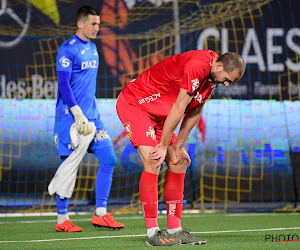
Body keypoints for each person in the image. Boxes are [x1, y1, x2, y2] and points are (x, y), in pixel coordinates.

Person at [116, 50, 245, 246]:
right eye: (227, 79)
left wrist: (178, 146)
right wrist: (162, 146)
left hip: (160, 116)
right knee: (153, 159)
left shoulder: (211, 77)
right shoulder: (198, 65)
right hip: (136, 104)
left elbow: (195, 110)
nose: (226, 84)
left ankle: (175, 230)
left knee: (179, 162)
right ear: (219, 66)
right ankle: (152, 233)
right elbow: (179, 107)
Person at [53, 5, 124, 232]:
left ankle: (100, 213)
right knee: (68, 167)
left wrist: (89, 114)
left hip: (93, 119)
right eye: (93, 24)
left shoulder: (93, 48)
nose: (97, 28)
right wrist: (76, 112)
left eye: (98, 24)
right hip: (70, 119)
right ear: (80, 23)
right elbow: (64, 84)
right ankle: (62, 220)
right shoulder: (67, 50)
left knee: (109, 158)